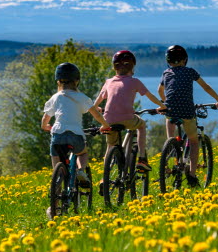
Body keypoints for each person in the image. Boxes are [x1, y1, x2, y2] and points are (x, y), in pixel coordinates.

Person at [157, 45, 218, 188]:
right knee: (194, 141)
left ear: (168, 61)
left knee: (170, 120)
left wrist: (165, 103)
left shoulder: (166, 73)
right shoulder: (190, 72)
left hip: (170, 110)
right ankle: (192, 176)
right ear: (185, 60)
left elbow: (160, 90)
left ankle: (171, 146)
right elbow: (206, 87)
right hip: (187, 110)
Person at [93, 50, 167, 173]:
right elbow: (150, 96)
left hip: (108, 121)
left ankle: (104, 178)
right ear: (132, 66)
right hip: (128, 118)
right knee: (142, 125)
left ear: (114, 67)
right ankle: (142, 158)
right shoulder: (135, 82)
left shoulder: (108, 82)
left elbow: (98, 101)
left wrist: (98, 108)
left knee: (110, 146)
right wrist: (162, 105)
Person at [41, 62, 111, 190]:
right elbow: (96, 115)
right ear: (76, 81)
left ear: (58, 81)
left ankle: (54, 206)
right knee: (82, 153)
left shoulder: (55, 97)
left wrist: (46, 126)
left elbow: (45, 118)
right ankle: (81, 170)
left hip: (57, 136)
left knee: (57, 173)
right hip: (76, 135)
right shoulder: (81, 97)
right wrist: (105, 125)